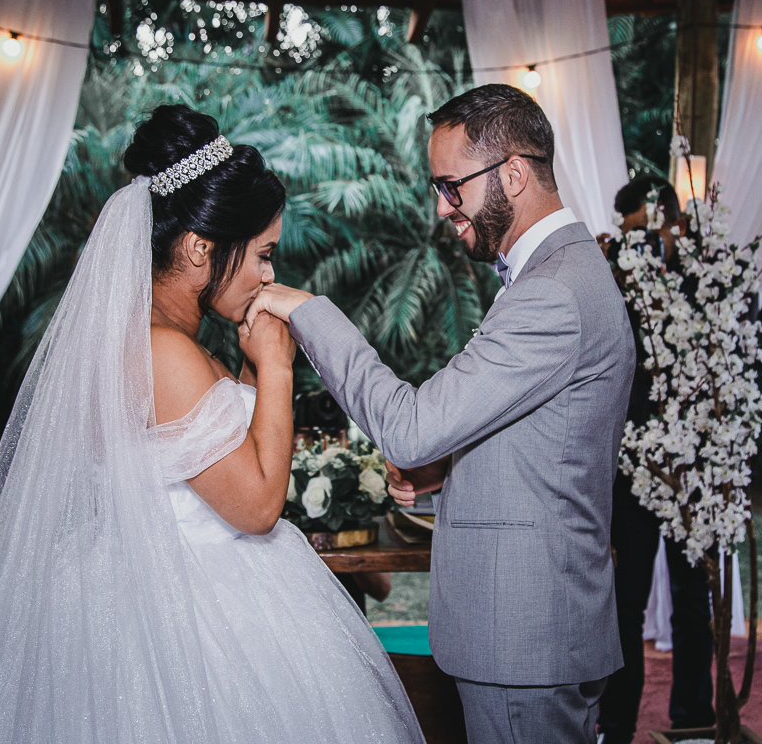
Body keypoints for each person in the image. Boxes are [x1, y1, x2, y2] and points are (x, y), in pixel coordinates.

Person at [0, 105, 424, 743]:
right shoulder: (163, 351)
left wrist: (254, 367)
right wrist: (279, 368)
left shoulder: (157, 339)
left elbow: (225, 455)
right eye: (262, 254)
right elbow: (256, 507)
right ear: (200, 247)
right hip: (196, 613)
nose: (269, 274)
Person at [248, 83, 635, 744]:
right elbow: (542, 450)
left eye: (451, 186)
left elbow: (411, 428)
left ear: (513, 173)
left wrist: (308, 313)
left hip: (523, 639)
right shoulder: (560, 274)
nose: (440, 207)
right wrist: (444, 475)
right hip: (532, 631)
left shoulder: (552, 293)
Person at [597, 177, 714, 743]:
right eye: (628, 236)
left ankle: (694, 720)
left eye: (645, 233)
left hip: (695, 468)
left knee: (694, 600)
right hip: (634, 468)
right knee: (625, 605)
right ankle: (615, 726)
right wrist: (611, 276)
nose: (637, 245)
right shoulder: (613, 282)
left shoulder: (711, 279)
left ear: (675, 223)